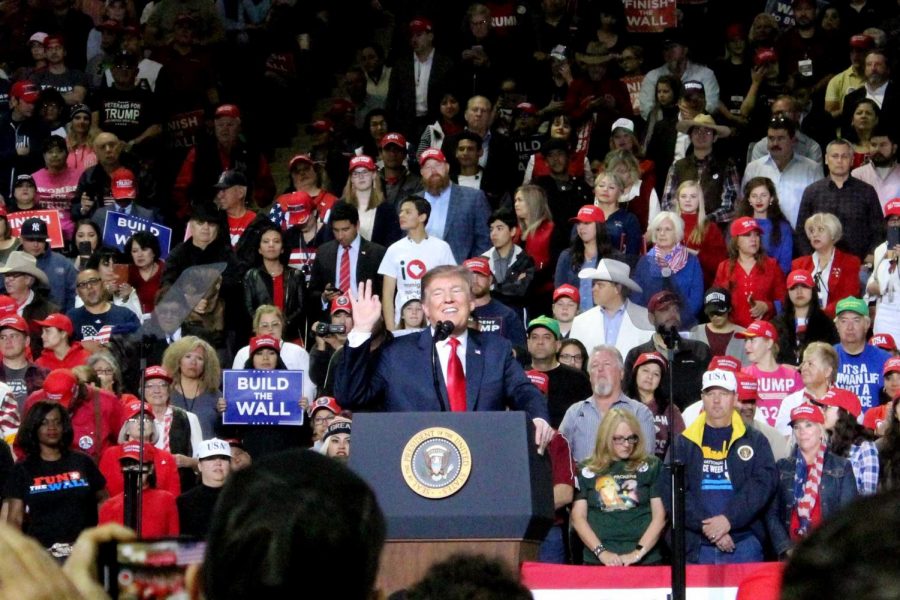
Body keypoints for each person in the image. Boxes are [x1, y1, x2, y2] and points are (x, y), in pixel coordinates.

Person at [335, 268, 552, 450]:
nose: (449, 298)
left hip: (482, 464)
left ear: (471, 302)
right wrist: (362, 330)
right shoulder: (396, 353)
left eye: (456, 290)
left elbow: (523, 391)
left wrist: (539, 418)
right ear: (425, 308)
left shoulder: (496, 349)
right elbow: (350, 396)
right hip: (413, 470)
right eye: (438, 293)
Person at [663, 369, 777, 564]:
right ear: (702, 398)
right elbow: (672, 491)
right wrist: (709, 527)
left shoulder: (755, 440)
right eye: (710, 393)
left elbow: (762, 486)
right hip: (695, 545)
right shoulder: (683, 443)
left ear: (735, 398)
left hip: (744, 543)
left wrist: (728, 520)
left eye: (723, 394)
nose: (716, 400)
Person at [2, 401, 106, 551]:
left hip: (83, 553)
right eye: (44, 423)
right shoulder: (22, 469)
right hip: (42, 556)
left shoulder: (83, 462)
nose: (52, 427)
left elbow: (103, 499)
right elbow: (15, 519)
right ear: (34, 428)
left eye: (57, 422)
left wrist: (99, 536)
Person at [572, 408, 665, 566]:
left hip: (645, 560)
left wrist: (637, 553)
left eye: (631, 438)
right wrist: (602, 553)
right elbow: (578, 518)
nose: (627, 444)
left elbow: (660, 516)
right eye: (619, 439)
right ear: (606, 438)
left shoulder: (652, 466)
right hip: (597, 560)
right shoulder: (585, 469)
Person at [766, 403, 857, 558]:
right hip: (791, 553)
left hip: (829, 552)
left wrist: (829, 550)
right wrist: (786, 548)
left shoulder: (842, 466)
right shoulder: (782, 467)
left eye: (808, 425)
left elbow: (848, 514)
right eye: (797, 427)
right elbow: (771, 514)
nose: (802, 432)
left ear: (820, 430)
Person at [559, 345, 655, 463]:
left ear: (621, 373)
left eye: (607, 364)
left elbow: (647, 462)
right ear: (589, 376)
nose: (600, 369)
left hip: (628, 481)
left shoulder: (640, 413)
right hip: (583, 480)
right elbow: (560, 458)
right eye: (594, 366)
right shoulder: (574, 413)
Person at [795, 139, 883, 263]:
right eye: (835, 156)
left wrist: (871, 254)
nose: (839, 161)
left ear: (852, 160)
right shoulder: (812, 192)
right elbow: (801, 231)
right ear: (826, 159)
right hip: (820, 265)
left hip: (860, 265)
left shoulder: (866, 191)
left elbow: (878, 229)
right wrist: (811, 259)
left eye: (844, 156)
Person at [624, 290, 713, 410]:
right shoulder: (637, 355)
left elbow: (711, 391)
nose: (672, 314)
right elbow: (628, 396)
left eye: (676, 309)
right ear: (651, 318)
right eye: (664, 310)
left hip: (693, 423)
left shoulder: (699, 351)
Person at [378, 196, 455, 331]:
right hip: (402, 325)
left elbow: (452, 286)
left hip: (435, 322)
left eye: (408, 212)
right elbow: (387, 295)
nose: (401, 215)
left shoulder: (442, 248)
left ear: (422, 217)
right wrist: (391, 331)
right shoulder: (394, 249)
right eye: (401, 212)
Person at [741, 115, 823, 229]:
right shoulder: (754, 168)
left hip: (801, 236)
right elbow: (745, 204)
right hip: (761, 236)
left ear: (793, 140)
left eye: (781, 138)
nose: (775, 143)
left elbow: (819, 207)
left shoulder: (811, 169)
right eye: (771, 138)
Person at [307, 202, 386, 319]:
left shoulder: (377, 253)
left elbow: (384, 294)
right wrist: (324, 297)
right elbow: (312, 291)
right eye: (336, 230)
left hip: (367, 317)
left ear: (357, 225)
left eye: (345, 229)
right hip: (333, 317)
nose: (340, 236)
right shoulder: (323, 252)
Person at [661, 113, 739, 224]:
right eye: (697, 130)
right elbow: (667, 202)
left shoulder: (727, 166)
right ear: (690, 136)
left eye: (707, 131)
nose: (701, 135)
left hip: (715, 229)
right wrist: (683, 220)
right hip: (681, 228)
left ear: (715, 137)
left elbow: (731, 206)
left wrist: (706, 220)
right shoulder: (677, 166)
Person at [419, 148, 492, 264]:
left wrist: (473, 270)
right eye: (428, 167)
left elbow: (485, 240)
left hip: (461, 273)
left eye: (438, 165)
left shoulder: (473, 197)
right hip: (421, 274)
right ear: (422, 172)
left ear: (447, 167)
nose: (433, 171)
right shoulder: (412, 203)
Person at [632, 211, 704, 326]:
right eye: (658, 229)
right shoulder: (644, 261)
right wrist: (652, 321)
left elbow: (696, 299)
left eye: (667, 229)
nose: (662, 233)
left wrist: (678, 320)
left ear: (677, 233)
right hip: (650, 325)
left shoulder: (692, 261)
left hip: (684, 324)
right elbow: (636, 295)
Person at [713, 216, 785, 328]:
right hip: (733, 334)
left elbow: (784, 301)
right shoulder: (724, 267)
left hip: (764, 333)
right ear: (736, 241)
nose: (754, 239)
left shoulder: (772, 265)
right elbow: (716, 302)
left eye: (756, 234)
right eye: (747, 235)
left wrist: (767, 306)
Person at [98, 441, 180, 537]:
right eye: (128, 465)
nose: (133, 471)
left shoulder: (166, 500)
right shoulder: (109, 506)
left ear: (150, 468)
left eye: (138, 465)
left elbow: (173, 540)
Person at [525, 315, 592, 429]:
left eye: (546, 337)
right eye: (535, 337)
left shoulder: (577, 378)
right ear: (528, 343)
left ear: (558, 345)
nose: (540, 342)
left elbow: (589, 419)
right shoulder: (517, 376)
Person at [242, 224, 307, 342]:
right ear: (259, 249)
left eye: (276, 241)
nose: (271, 245)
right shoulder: (251, 275)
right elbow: (249, 309)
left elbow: (301, 308)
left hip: (291, 338)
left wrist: (281, 325)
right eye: (266, 241)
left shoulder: (296, 275)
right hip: (261, 337)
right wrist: (266, 327)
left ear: (282, 248)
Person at [792, 213, 860, 318]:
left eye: (820, 230)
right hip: (806, 320)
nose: (814, 234)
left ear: (832, 234)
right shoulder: (798, 264)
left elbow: (849, 297)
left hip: (837, 320)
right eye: (812, 231)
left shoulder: (849, 262)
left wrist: (822, 315)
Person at [737, 320, 804, 429]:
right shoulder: (742, 375)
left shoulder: (793, 376)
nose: (746, 346)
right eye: (746, 341)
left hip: (786, 439)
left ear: (769, 343)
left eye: (752, 340)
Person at [833, 296, 889, 413]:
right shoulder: (827, 357)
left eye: (856, 320)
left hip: (873, 427)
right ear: (837, 325)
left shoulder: (885, 360)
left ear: (867, 324)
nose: (849, 327)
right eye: (843, 321)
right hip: (836, 428)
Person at [554, 204, 615, 312]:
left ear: (598, 226)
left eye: (587, 223)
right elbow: (559, 292)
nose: (581, 227)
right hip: (574, 319)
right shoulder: (566, 257)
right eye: (579, 223)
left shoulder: (613, 258)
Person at [772, 270, 839, 367]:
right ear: (788, 293)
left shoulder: (827, 324)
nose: (799, 292)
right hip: (785, 378)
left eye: (804, 286)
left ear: (813, 290)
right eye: (794, 288)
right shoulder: (776, 324)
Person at [626, 351, 685, 460]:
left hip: (660, 468)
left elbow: (680, 445)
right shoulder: (622, 405)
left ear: (660, 381)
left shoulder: (670, 410)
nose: (650, 376)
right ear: (635, 373)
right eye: (645, 370)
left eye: (656, 374)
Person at [820, 387, 879, 495]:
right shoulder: (823, 444)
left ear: (845, 412)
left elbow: (868, 497)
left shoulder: (865, 448)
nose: (822, 411)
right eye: (823, 407)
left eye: (827, 407)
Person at [776, 342, 841, 437]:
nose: (804, 368)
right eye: (803, 363)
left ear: (827, 371)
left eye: (810, 364)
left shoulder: (847, 402)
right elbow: (782, 440)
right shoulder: (790, 402)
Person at [162, 336, 222, 439]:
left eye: (199, 358)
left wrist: (223, 413)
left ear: (206, 365)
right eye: (188, 356)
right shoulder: (165, 393)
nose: (193, 362)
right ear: (178, 360)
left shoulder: (215, 395)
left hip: (206, 453)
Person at [66, 268, 141, 349]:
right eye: (83, 285)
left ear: (103, 284)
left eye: (93, 281)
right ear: (77, 292)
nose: (89, 287)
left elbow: (139, 348)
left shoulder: (125, 315)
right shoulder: (71, 318)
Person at [337, 154, 401, 247]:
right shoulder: (339, 206)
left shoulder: (387, 209)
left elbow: (392, 244)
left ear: (374, 174)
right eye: (356, 173)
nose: (360, 176)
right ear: (351, 178)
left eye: (365, 172)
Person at [673, 180, 728, 289]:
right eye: (684, 196)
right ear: (678, 200)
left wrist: (696, 254)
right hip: (672, 284)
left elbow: (720, 264)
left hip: (702, 285)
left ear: (700, 200)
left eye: (693, 196)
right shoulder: (669, 223)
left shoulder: (711, 227)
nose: (688, 200)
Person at [19, 217, 78, 313]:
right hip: (17, 322)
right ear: (21, 239)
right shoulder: (11, 263)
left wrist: (64, 322)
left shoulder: (63, 263)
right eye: (31, 239)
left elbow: (73, 297)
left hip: (56, 320)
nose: (36, 244)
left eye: (40, 239)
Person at [466, 257, 526, 349]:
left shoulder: (508, 315)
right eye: (469, 276)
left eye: (480, 275)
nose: (475, 280)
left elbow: (522, 352)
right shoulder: (454, 314)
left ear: (490, 280)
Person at [176, 438, 231, 539]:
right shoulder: (184, 502)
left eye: (223, 458)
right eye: (211, 458)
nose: (218, 462)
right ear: (199, 465)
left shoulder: (243, 499)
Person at [737, 177, 793, 275]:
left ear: (771, 198)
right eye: (754, 196)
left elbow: (785, 264)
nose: (759, 200)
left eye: (763, 195)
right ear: (749, 199)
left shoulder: (784, 228)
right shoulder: (739, 225)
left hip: (774, 281)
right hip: (744, 280)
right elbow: (733, 258)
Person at [482, 207, 534, 312]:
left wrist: (492, 288)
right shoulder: (482, 261)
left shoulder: (525, 260)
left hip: (516, 314)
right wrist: (510, 284)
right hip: (489, 315)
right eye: (491, 229)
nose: (493, 234)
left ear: (513, 231)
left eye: (499, 228)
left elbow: (521, 291)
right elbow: (479, 291)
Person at [31, 135, 81, 241]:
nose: (54, 155)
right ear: (44, 155)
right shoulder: (34, 178)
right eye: (50, 152)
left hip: (73, 232)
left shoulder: (80, 176)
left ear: (66, 154)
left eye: (59, 151)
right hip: (42, 233)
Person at [866, 198, 900, 336]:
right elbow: (873, 282)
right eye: (892, 220)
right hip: (884, 311)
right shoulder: (881, 249)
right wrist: (872, 288)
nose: (896, 223)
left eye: (899, 219)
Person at [593, 172, 642, 264]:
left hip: (616, 270)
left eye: (611, 187)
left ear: (620, 192)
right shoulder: (586, 214)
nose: (605, 189)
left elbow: (632, 256)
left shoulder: (629, 219)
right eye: (601, 186)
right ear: (594, 190)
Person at [690, 287, 748, 362]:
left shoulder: (742, 334)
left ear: (729, 308)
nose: (715, 316)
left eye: (719, 312)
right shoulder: (696, 331)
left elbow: (748, 368)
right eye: (711, 313)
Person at [851, 125, 900, 209]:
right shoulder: (858, 174)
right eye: (873, 145)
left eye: (883, 145)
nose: (877, 149)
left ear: (894, 148)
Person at [125, 231, 164, 316]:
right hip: (134, 320)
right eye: (135, 251)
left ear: (154, 252)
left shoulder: (166, 270)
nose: (139, 255)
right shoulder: (127, 271)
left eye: (144, 249)